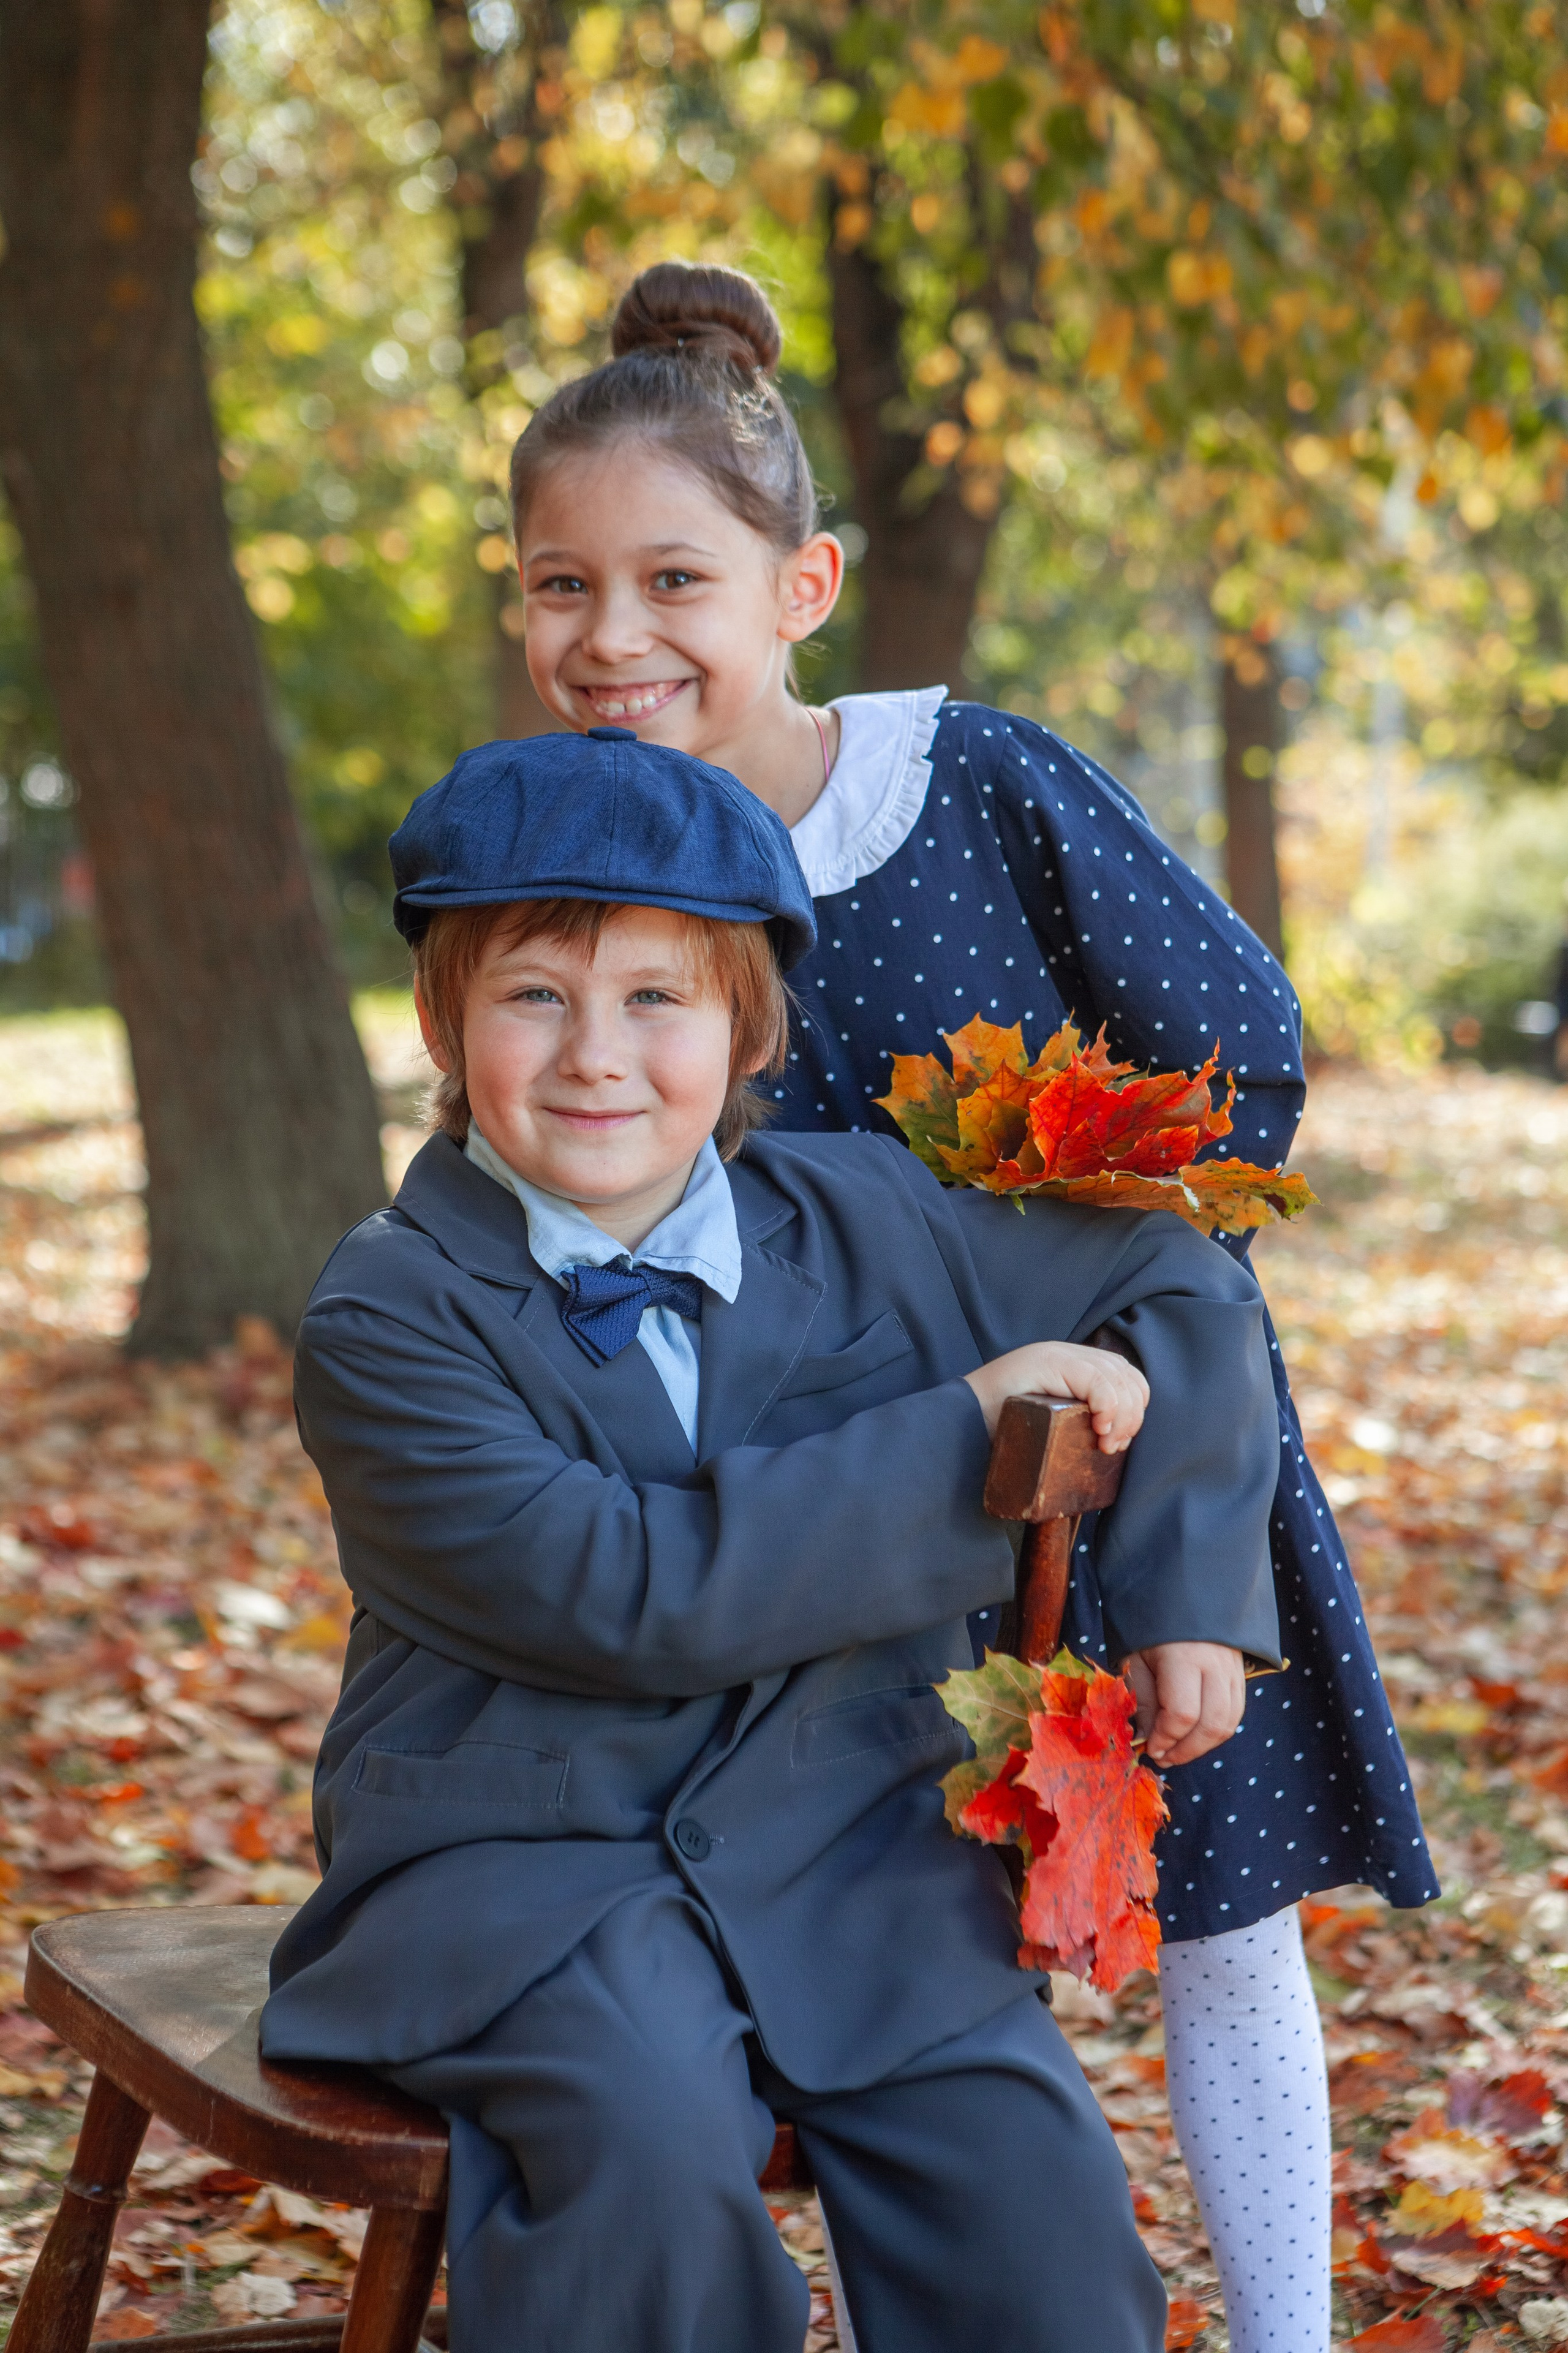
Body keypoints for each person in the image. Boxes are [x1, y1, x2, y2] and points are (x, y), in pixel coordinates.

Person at [503, 259, 1438, 2353]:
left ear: (802, 583)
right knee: (876, 1950)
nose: (615, 635)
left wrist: (1125, 1335)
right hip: (841, 1511)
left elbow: (1239, 1055)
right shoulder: (583, 869)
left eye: (672, 577)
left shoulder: (973, 787)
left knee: (1219, 1923)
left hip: (1129, 1457)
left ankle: (1283, 2331)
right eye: (560, 586)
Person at [263, 727, 1284, 2353]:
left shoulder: (867, 1214)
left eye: (657, 998)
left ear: (749, 1027)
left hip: (850, 1848)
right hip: (530, 1866)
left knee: (1037, 2215)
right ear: (444, 1021)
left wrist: (1185, 1588)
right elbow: (628, 1592)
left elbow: (1183, 1280)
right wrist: (967, 1430)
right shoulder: (390, 1310)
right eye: (536, 994)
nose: (598, 1052)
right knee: (646, 2165)